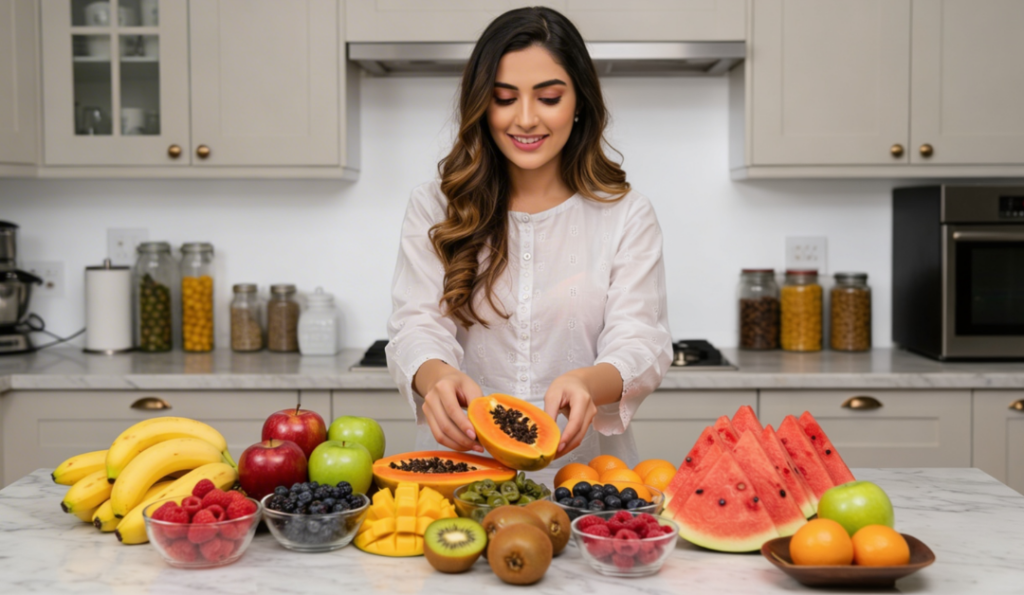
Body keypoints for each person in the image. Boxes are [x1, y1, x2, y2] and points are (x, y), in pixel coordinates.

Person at [385, 6, 672, 468]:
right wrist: (434, 377)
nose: (524, 119)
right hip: (460, 472)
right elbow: (416, 324)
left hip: (584, 479)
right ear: (482, 104)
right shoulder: (435, 206)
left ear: (579, 102)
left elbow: (642, 340)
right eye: (503, 98)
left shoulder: (625, 213)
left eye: (548, 98)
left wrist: (587, 382)